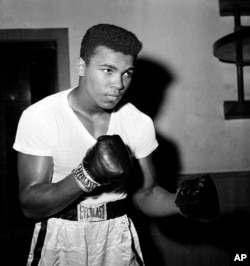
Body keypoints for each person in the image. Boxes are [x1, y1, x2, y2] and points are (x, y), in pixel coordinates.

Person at [13, 24, 219, 266]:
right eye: (108, 70)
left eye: (127, 73)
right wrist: (85, 176)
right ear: (82, 66)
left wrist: (181, 202)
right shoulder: (41, 116)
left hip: (117, 235)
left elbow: (147, 194)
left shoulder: (138, 122)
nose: (119, 84)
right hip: (61, 234)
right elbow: (30, 205)